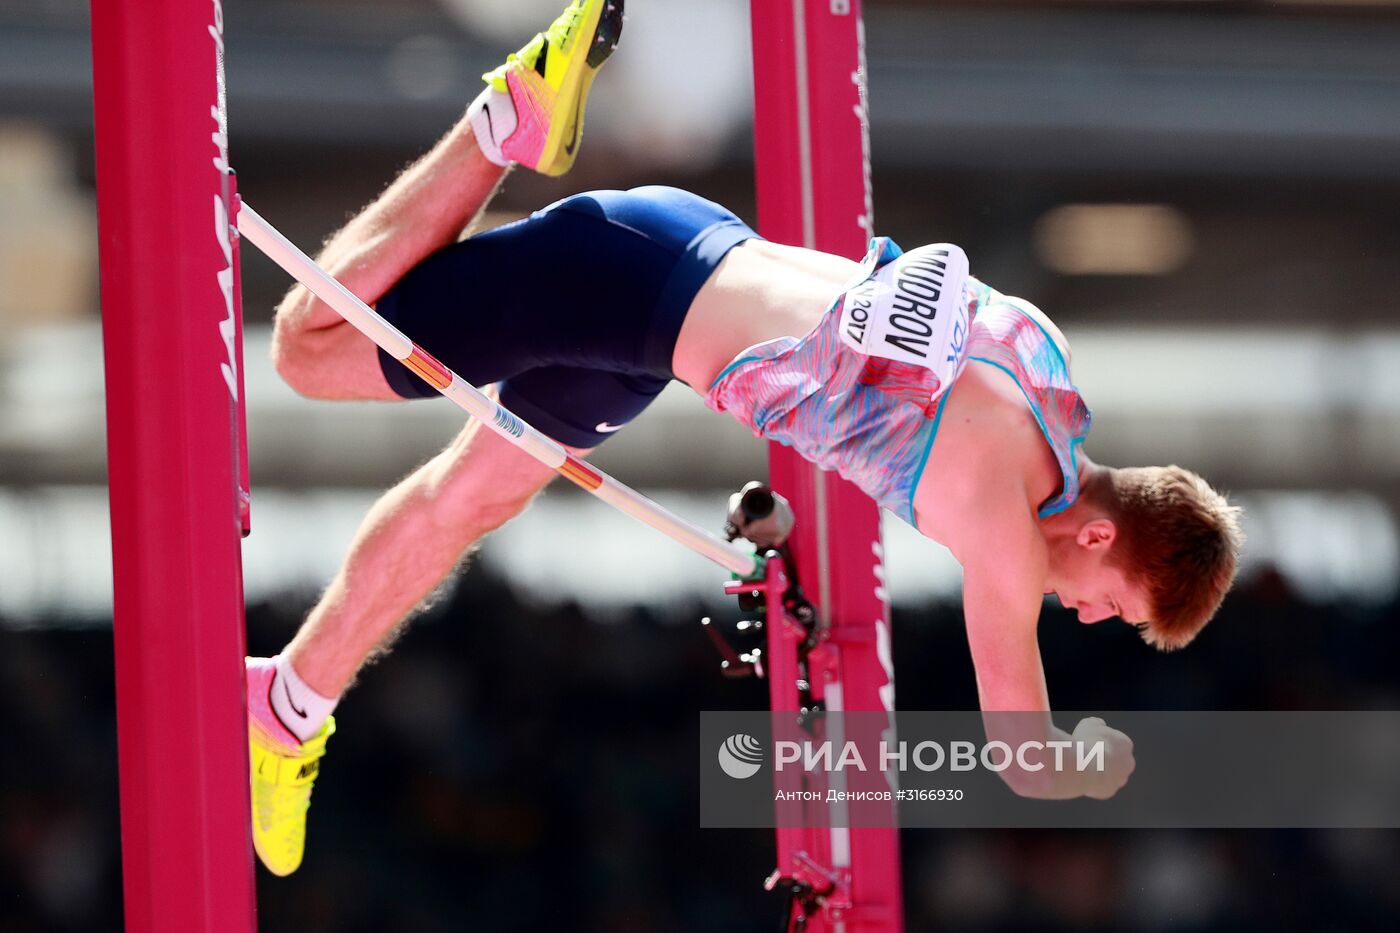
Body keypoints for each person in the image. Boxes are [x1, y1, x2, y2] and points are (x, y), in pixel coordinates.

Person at [247, 0, 1243, 876]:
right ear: (1102, 538)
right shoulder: (1002, 525)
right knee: (309, 349)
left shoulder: (1049, 378)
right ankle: (504, 121)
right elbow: (1020, 764)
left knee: (473, 496)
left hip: (666, 308)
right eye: (1112, 606)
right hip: (627, 285)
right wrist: (1095, 767)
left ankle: (290, 704)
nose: (1085, 618)